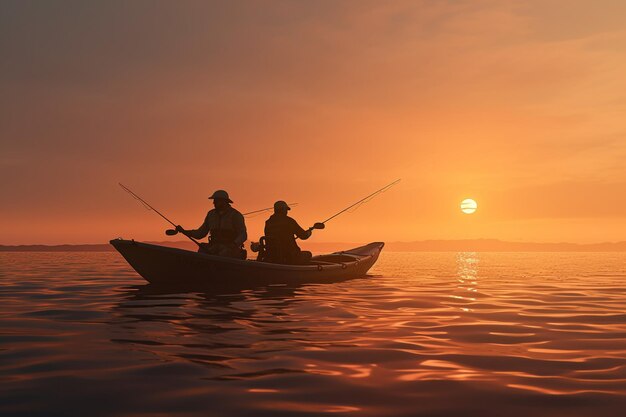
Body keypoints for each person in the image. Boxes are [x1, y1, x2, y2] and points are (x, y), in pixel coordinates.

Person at [173, 190, 247, 259]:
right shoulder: (211, 214)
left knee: (223, 254)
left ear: (224, 201)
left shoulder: (236, 215)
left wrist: (234, 245)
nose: (214, 203)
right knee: (202, 250)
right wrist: (184, 231)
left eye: (216, 200)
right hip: (213, 246)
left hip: (229, 249)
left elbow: (243, 235)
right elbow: (200, 233)